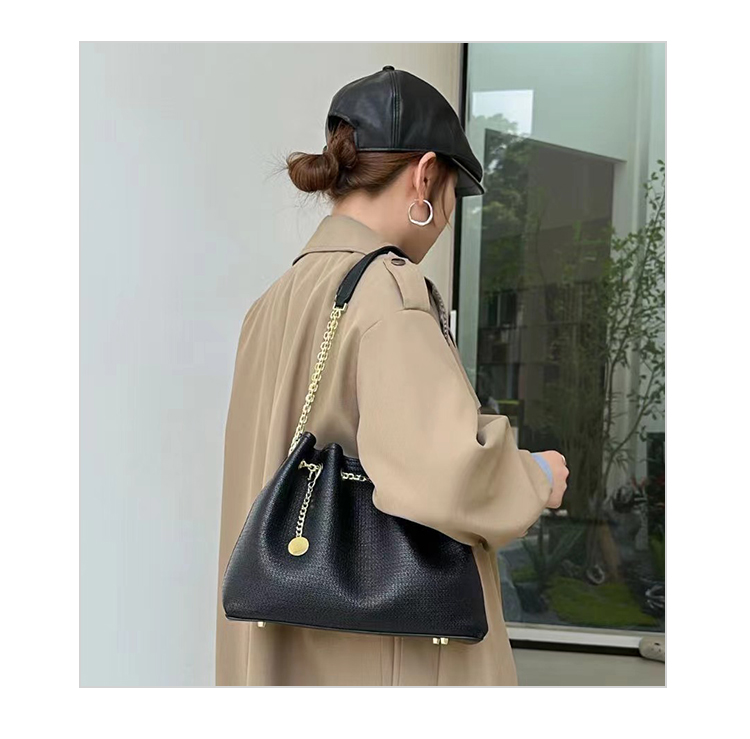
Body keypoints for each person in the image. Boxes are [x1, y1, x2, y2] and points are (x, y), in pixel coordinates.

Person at [215, 66, 569, 686]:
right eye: (454, 193)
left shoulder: (274, 300)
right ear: (425, 175)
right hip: (377, 656)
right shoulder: (388, 289)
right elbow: (443, 474)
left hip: (280, 637)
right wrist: (534, 476)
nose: (447, 217)